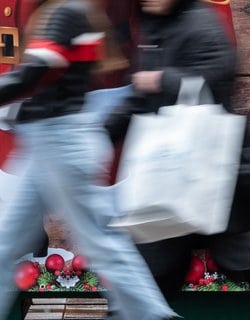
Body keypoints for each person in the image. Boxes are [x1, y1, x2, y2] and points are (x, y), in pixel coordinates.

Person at [104, 0, 250, 319]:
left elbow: (219, 75)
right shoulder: (153, 29)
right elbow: (139, 99)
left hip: (215, 180)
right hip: (170, 183)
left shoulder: (201, 21)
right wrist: (101, 132)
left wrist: (162, 79)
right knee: (143, 287)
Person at [0, 1, 177, 319]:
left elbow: (33, 75)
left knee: (101, 243)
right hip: (47, 140)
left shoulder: (67, 13)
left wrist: (17, 107)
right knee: (6, 243)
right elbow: (52, 85)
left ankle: (154, 315)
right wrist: (20, 111)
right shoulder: (70, 12)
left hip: (60, 142)